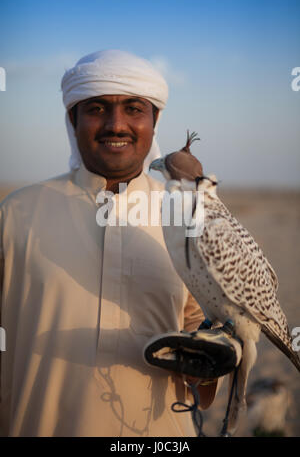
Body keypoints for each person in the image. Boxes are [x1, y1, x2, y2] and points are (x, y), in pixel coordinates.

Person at [0, 50, 230, 437]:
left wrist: (210, 362)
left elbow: (201, 332)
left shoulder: (189, 217)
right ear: (72, 119)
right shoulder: (15, 213)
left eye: (134, 109)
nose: (116, 124)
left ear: (155, 121)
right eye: (96, 108)